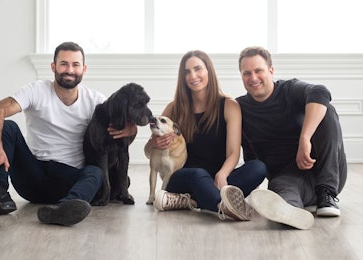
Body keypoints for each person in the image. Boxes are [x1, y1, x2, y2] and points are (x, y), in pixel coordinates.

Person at [0, 42, 137, 226]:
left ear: (84, 69)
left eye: (75, 65)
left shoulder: (96, 101)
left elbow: (124, 126)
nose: (69, 70)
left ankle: (65, 208)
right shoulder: (36, 90)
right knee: (8, 126)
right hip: (32, 174)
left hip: (68, 178)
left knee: (96, 172)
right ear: (53, 67)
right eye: (63, 64)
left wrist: (132, 130)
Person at [146, 50, 267, 221]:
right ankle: (222, 206)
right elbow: (149, 152)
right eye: (187, 72)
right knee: (198, 175)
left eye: (198, 69)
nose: (192, 75)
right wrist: (154, 144)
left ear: (208, 70)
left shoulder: (229, 106)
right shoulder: (174, 108)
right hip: (183, 177)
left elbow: (233, 152)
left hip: (218, 178)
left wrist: (222, 174)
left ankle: (191, 200)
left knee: (258, 168)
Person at [236, 46, 347, 229]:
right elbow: (248, 151)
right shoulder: (240, 107)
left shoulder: (289, 89)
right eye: (246, 73)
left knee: (326, 111)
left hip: (325, 170)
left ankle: (326, 195)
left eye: (258, 71)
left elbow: (320, 92)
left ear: (271, 70)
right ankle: (292, 210)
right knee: (282, 188)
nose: (253, 78)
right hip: (287, 176)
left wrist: (305, 139)